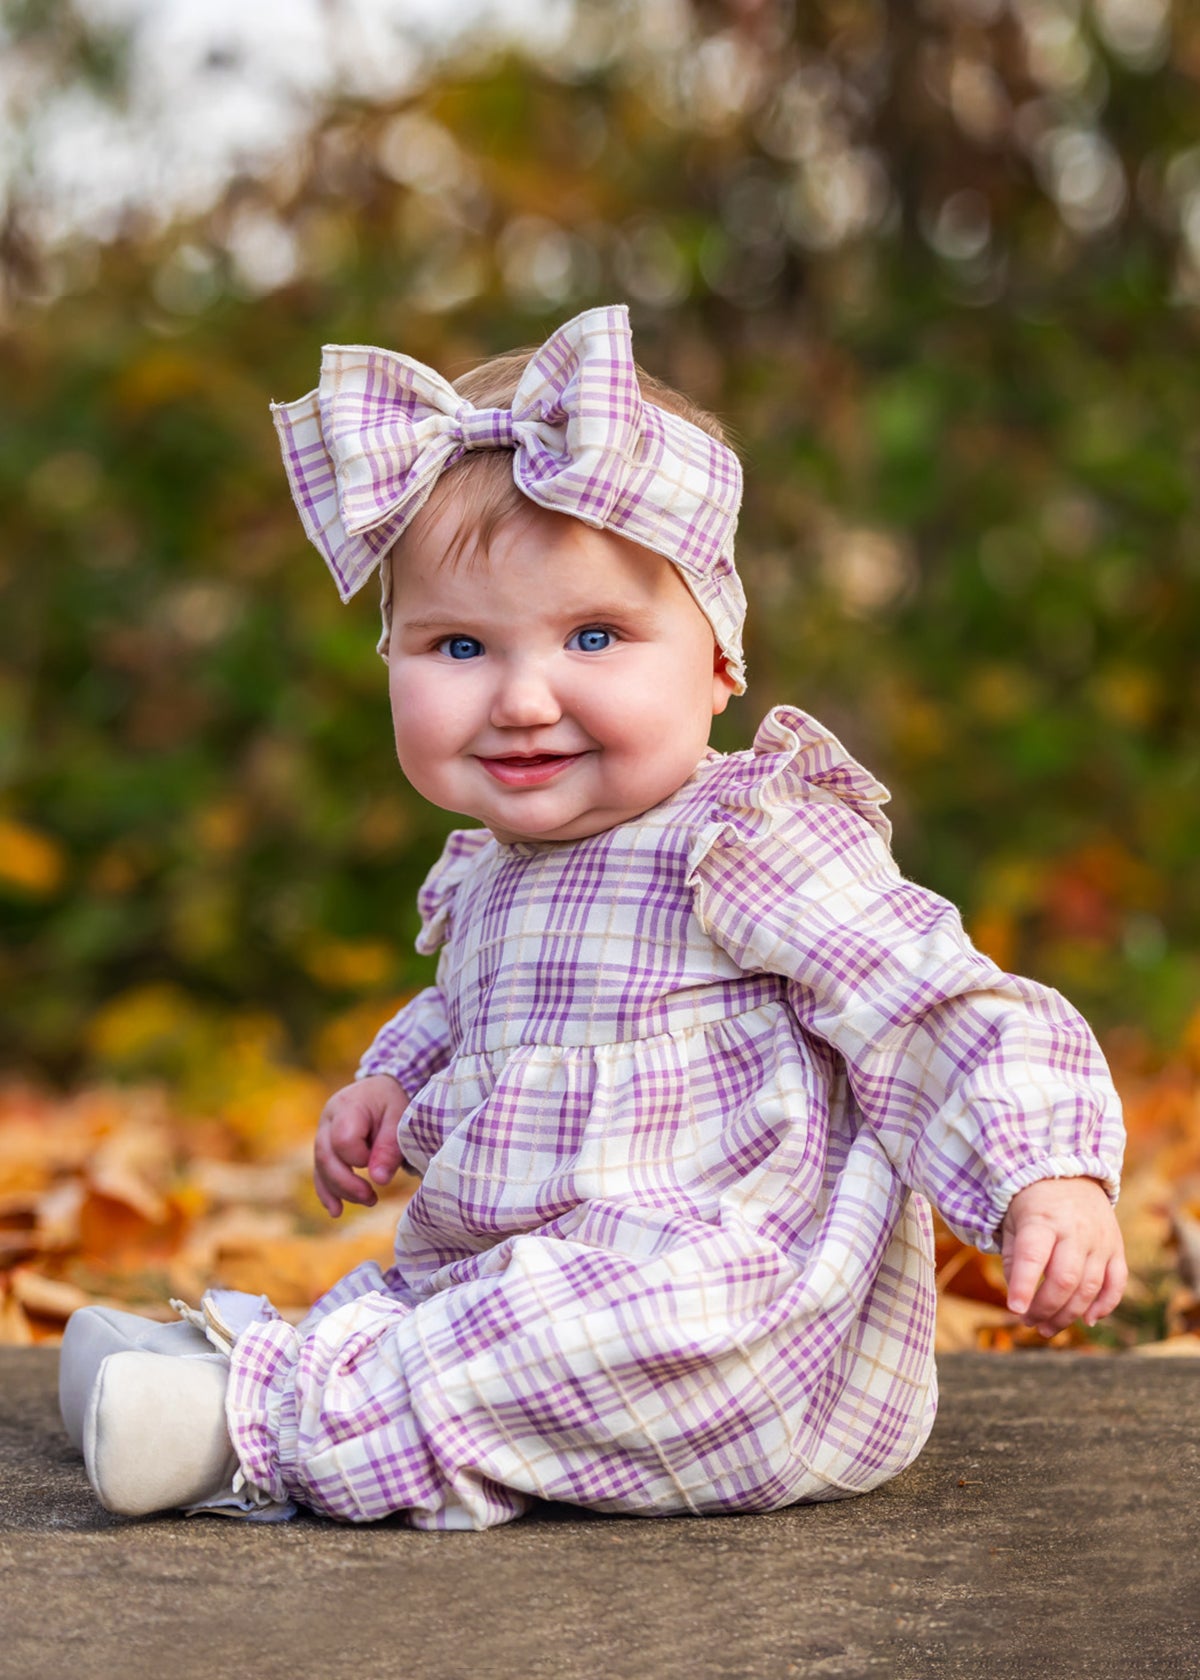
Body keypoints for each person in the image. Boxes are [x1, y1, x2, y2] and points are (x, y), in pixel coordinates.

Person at [61, 305, 1126, 1529]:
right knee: (450, 1312)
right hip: (531, 1278)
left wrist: (1047, 1173)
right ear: (390, 661)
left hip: (738, 1324)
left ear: (720, 661)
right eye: (457, 644)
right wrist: (392, 1085)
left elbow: (933, 1002)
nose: (521, 698)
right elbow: (466, 1012)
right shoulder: (494, 872)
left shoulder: (753, 838)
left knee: (574, 1330)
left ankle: (244, 1427)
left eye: (595, 636)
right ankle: (237, 1380)